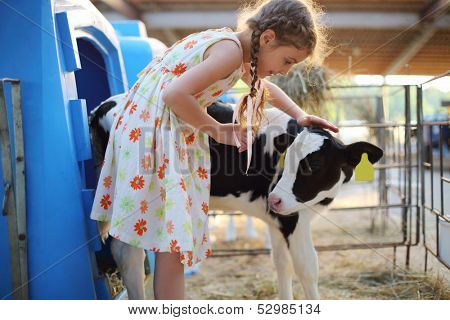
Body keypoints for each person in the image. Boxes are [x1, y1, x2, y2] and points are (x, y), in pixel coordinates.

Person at [90, 0, 339, 300]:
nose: (286, 71)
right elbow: (174, 94)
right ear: (268, 38)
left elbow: (265, 90)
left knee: (172, 239)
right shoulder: (229, 52)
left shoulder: (237, 50)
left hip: (155, 129)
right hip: (160, 133)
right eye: (287, 61)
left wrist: (299, 115)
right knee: (173, 239)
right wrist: (218, 130)